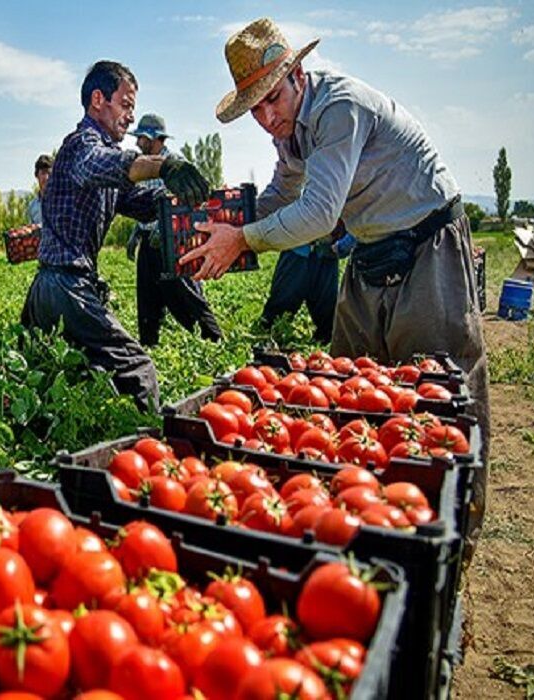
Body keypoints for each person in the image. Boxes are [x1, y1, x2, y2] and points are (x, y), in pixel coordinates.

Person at [183, 18, 489, 543]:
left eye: (272, 98)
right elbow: (283, 194)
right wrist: (226, 221)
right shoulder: (291, 131)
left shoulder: (337, 108)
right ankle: (371, 511)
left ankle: (458, 520)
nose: (266, 115)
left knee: (439, 389)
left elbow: (321, 214)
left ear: (298, 74)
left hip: (426, 242)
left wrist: (246, 240)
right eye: (254, 107)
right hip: (372, 251)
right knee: (348, 388)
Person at [19, 60, 210, 411]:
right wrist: (163, 166)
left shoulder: (104, 154)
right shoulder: (81, 144)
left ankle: (67, 450)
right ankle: (147, 447)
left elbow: (138, 201)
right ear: (97, 100)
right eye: (125, 105)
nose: (129, 117)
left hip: (55, 287)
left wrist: (187, 200)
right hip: (65, 287)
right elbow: (100, 165)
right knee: (138, 369)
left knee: (58, 377)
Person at [125, 113, 223, 346]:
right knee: (147, 295)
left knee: (184, 293)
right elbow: (144, 202)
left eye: (142, 138)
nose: (138, 142)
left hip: (174, 242)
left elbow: (189, 204)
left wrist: (165, 226)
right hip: (150, 241)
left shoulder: (175, 165)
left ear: (156, 139)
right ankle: (149, 344)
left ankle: (213, 339)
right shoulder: (145, 165)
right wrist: (138, 231)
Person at [258, 219, 355, 344]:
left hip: (327, 251)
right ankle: (266, 337)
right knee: (282, 300)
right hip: (298, 249)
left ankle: (325, 339)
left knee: (327, 307)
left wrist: (342, 246)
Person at [27, 154, 53, 225]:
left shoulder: (61, 202)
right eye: (43, 173)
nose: (46, 177)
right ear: (37, 175)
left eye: (49, 173)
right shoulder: (32, 206)